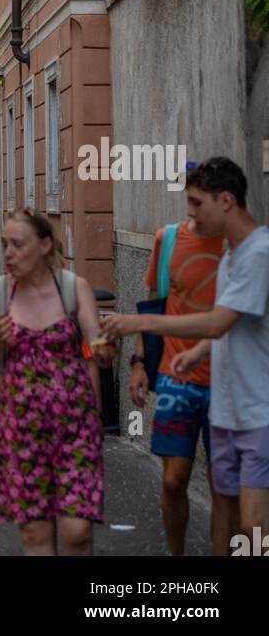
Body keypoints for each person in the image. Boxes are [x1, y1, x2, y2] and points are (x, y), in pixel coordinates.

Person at [104, 157, 269, 552]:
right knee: (226, 508)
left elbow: (217, 321)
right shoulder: (232, 253)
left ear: (225, 200)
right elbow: (228, 324)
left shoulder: (258, 253)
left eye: (197, 203)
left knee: (253, 527)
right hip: (227, 407)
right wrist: (197, 352)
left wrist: (140, 324)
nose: (190, 212)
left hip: (256, 409)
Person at [0, 209, 113, 556]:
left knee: (77, 531)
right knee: (34, 535)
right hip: (20, 428)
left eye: (18, 245)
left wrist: (106, 346)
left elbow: (99, 349)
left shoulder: (73, 288)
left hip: (75, 427)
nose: (8, 253)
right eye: (5, 245)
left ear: (45, 245)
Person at [128, 211, 226, 556]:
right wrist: (139, 362)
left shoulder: (236, 244)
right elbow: (155, 304)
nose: (195, 210)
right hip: (174, 375)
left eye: (202, 201)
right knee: (173, 480)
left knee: (223, 489)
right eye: (191, 200)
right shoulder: (167, 239)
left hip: (226, 382)